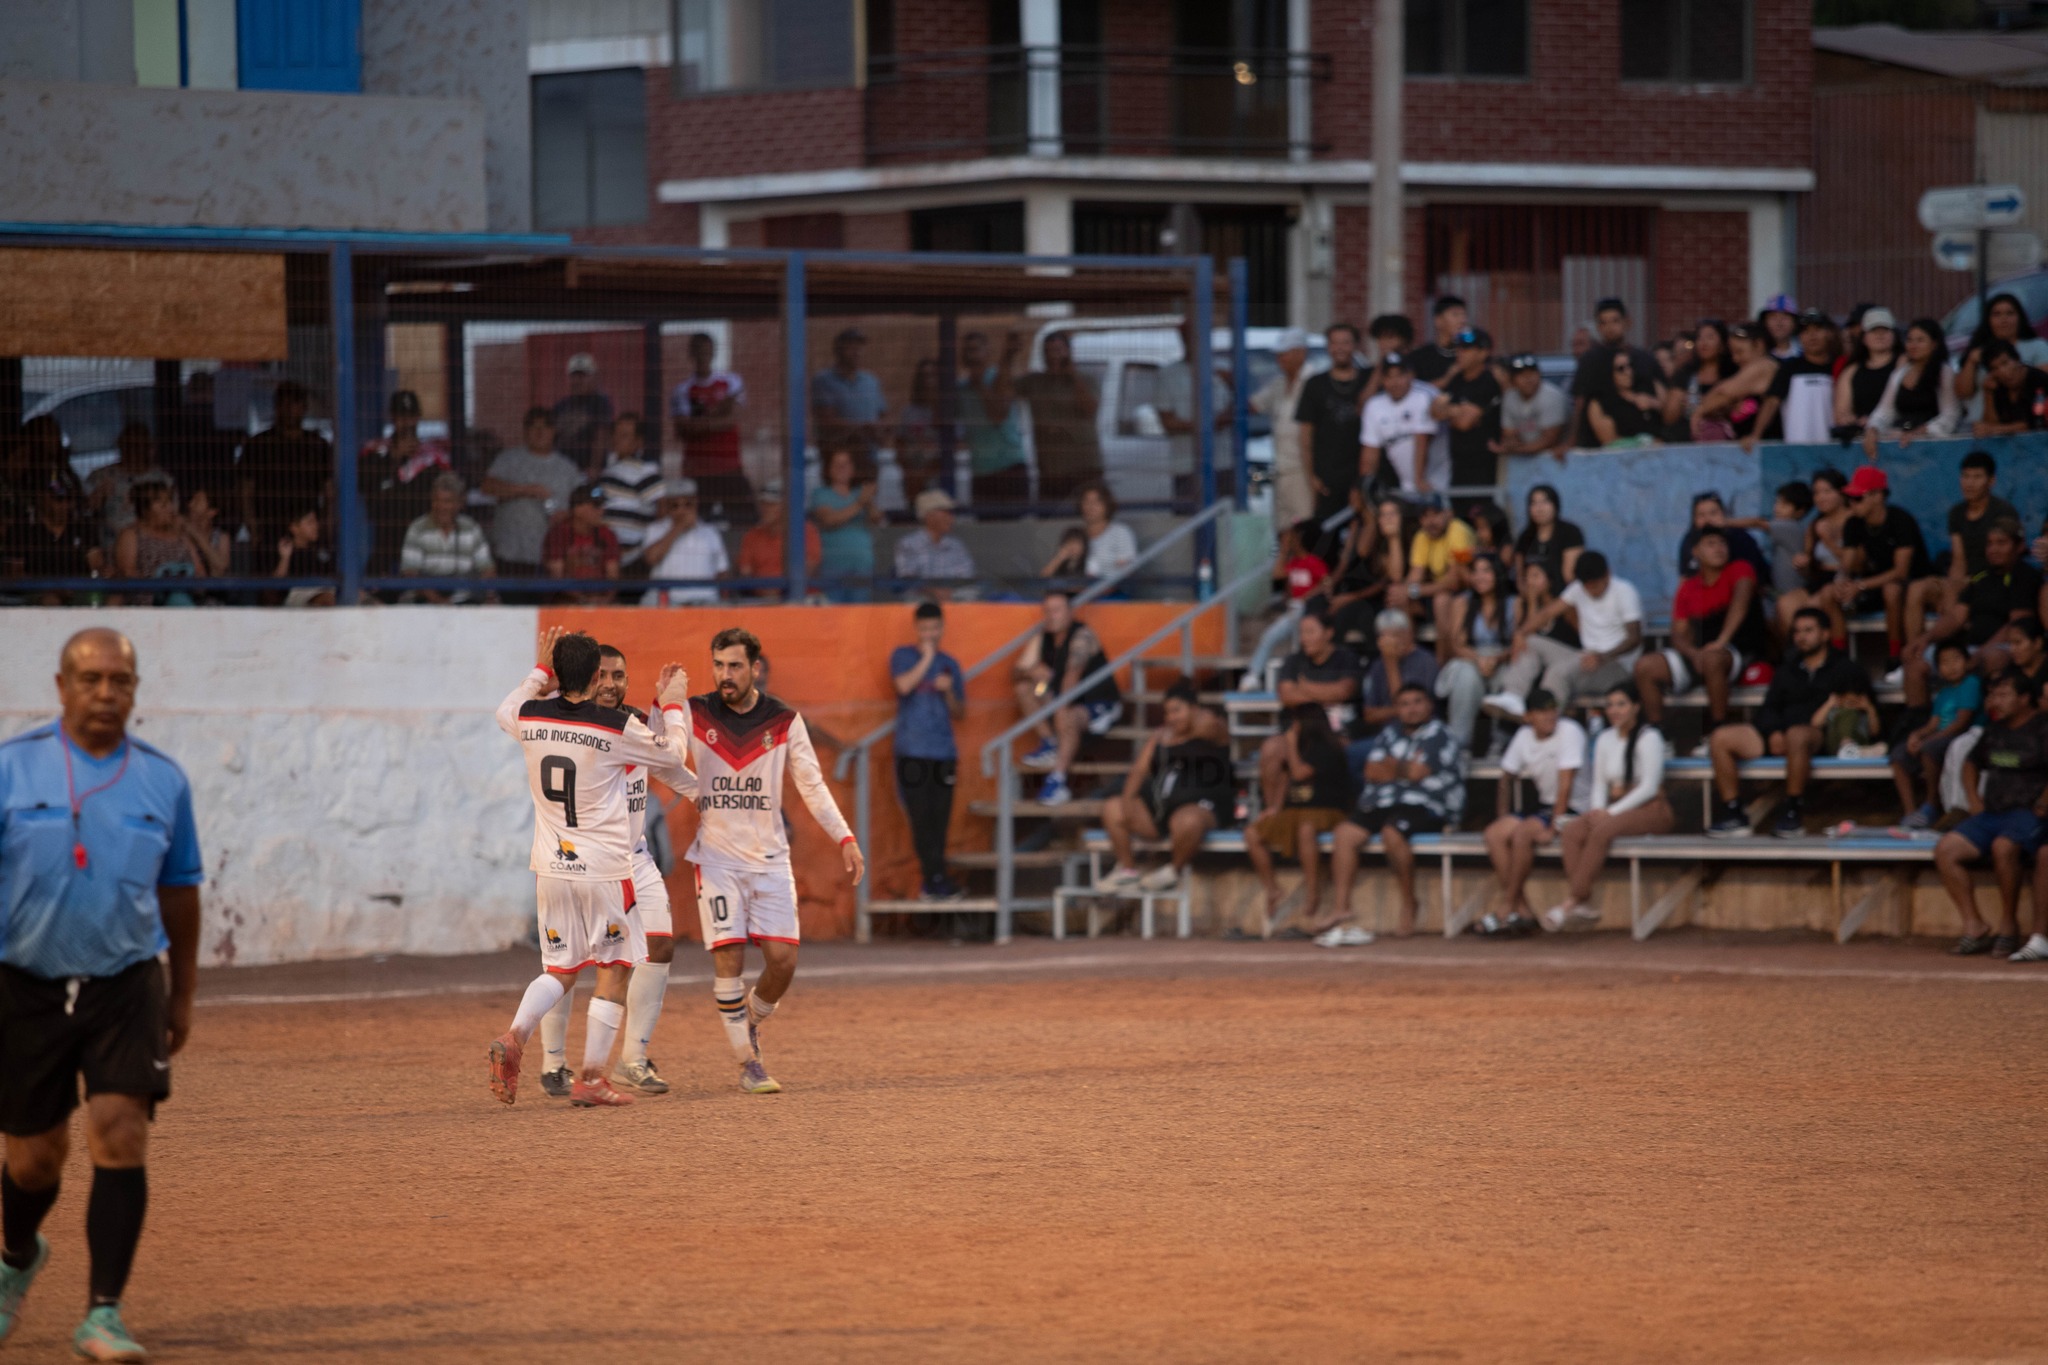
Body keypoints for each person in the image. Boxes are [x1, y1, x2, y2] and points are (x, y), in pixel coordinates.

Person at [0, 629, 203, 1363]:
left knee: (119, 1129)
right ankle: (16, 1254)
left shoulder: (162, 780)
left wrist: (181, 993)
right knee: (34, 1159)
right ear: (60, 686)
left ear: (135, 690)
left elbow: (180, 892)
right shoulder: (11, 770)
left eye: (120, 680)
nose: (106, 693)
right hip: (23, 985)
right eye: (90, 679)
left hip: (125, 982)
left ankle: (103, 1313)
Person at [488, 630, 692, 1108]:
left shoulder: (529, 716)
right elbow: (673, 755)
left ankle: (516, 1035)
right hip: (602, 867)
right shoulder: (613, 727)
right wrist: (675, 705)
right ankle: (593, 1078)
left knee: (559, 969)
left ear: (558, 673)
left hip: (550, 867)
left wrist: (538, 674)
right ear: (596, 676)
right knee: (617, 966)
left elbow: (505, 709)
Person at [668, 627, 864, 1094]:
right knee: (728, 957)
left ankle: (750, 1022)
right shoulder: (696, 712)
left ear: (756, 668)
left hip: (770, 859)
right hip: (716, 860)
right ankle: (747, 1062)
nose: (724, 675)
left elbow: (812, 785)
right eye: (718, 665)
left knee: (784, 962)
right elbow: (661, 758)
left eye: (734, 666)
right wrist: (693, 787)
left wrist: (845, 838)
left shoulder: (784, 720)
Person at [1322, 683, 1466, 943]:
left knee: (1392, 832)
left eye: (1417, 702)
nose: (1411, 709)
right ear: (1397, 709)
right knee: (1344, 833)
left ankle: (1409, 904)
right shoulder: (1390, 734)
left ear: (1429, 705)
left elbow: (1418, 773)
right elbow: (1371, 771)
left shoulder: (1440, 734)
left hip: (1428, 805)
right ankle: (1341, 907)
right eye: (1405, 703)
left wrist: (1391, 767)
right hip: (1384, 802)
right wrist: (1403, 768)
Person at [1708, 607, 1862, 838]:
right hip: (1778, 734)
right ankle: (1734, 813)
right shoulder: (1786, 669)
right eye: (1797, 631)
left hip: (1818, 734)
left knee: (1797, 735)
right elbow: (1769, 708)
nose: (1801, 636)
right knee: (1721, 737)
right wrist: (1774, 732)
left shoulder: (1845, 668)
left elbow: (1857, 708)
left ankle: (1792, 811)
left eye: (1809, 630)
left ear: (1825, 634)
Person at [1935, 671, 2048, 957]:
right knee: (1946, 850)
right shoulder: (1994, 729)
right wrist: (1974, 799)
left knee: (2003, 848)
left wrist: (2045, 801)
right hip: (1992, 814)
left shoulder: (2043, 728)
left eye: (2003, 694)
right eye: (1993, 694)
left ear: (2025, 699)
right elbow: (1971, 764)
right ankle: (1974, 925)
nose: (1995, 701)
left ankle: (2008, 925)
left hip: (2027, 814)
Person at [1550, 682, 1673, 930]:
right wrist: (1598, 810)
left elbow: (1649, 786)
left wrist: (1610, 814)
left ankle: (1573, 900)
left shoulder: (1650, 737)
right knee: (1573, 830)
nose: (1614, 710)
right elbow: (1599, 784)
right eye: (1610, 705)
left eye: (1621, 704)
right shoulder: (1605, 738)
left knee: (1602, 831)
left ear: (1636, 707)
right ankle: (1583, 903)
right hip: (1613, 808)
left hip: (1650, 808)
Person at [1097, 680, 1236, 893]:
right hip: (1162, 810)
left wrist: (1174, 735)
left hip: (1202, 809)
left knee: (1188, 820)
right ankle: (1127, 871)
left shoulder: (1211, 727)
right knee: (1112, 808)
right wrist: (1128, 802)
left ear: (1194, 709)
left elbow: (1206, 723)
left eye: (1177, 711)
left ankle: (1173, 871)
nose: (1171, 717)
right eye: (1168, 712)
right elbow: (1138, 771)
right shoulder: (1161, 736)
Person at [1478, 689, 1590, 937]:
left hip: (1578, 808)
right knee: (1495, 833)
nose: (1550, 715)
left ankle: (1507, 907)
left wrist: (1554, 826)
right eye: (1542, 711)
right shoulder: (1524, 735)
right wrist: (1502, 814)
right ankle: (1523, 910)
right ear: (1528, 716)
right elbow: (1506, 779)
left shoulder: (1569, 731)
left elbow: (1566, 785)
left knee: (1523, 832)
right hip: (1546, 805)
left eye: (1552, 709)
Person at [1895, 451, 2016, 676]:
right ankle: (1915, 656)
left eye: (1977, 477)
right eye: (1965, 476)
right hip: (1964, 580)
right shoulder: (1957, 513)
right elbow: (1958, 559)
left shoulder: (2002, 512)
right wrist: (1951, 585)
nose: (1969, 483)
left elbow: (2004, 558)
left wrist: (1959, 587)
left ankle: (1952, 658)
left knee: (1956, 592)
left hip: (1990, 580)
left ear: (1991, 480)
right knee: (1916, 589)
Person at [1485, 551, 1644, 714]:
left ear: (1608, 574)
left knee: (1558, 672)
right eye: (1586, 586)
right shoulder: (1578, 589)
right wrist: (1521, 633)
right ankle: (1513, 696)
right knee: (1531, 642)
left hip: (1616, 665)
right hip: (1586, 657)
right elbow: (1547, 613)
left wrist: (1602, 657)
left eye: (1595, 585)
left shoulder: (1625, 592)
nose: (1591, 590)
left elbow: (1634, 638)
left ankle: (1547, 722)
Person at [1637, 526, 1764, 730]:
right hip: (1699, 656)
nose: (1719, 548)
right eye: (1711, 544)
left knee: (1712, 658)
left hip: (1737, 651)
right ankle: (1657, 735)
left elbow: (1740, 605)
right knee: (1645, 666)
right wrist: (1693, 653)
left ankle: (1716, 731)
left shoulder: (1740, 569)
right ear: (1695, 551)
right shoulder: (1687, 588)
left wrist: (1720, 643)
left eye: (1722, 543)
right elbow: (1678, 633)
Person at [1244, 704, 1352, 934]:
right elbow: (1285, 777)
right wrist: (1274, 807)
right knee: (1252, 833)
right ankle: (1272, 888)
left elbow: (1300, 773)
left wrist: (1291, 745)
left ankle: (1313, 892)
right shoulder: (1297, 747)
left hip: (1325, 809)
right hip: (1294, 810)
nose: (1291, 729)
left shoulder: (1329, 748)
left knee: (1306, 829)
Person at [1013, 588, 1122, 806]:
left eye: (1057, 610)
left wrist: (1058, 707)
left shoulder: (1082, 635)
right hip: (1065, 701)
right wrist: (1032, 673)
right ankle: (1050, 743)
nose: (1051, 615)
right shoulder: (1043, 637)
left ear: (1070, 612)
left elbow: (1071, 679)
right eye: (1047, 611)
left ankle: (1057, 781)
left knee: (1065, 712)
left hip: (1099, 702)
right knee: (1025, 688)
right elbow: (1016, 672)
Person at [1903, 519, 2042, 688]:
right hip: (1970, 649)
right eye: (1989, 544)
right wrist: (1926, 638)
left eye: (2001, 543)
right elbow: (1956, 617)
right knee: (1914, 661)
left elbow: (2017, 625)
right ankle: (1918, 714)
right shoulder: (1981, 577)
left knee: (1991, 659)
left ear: (2019, 546)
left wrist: (1982, 652)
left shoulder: (2025, 576)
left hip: (2002, 649)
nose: (1993, 549)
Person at [891, 603, 968, 902]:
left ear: (942, 627)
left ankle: (936, 881)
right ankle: (935, 880)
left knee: (940, 818)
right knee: (920, 817)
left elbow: (960, 711)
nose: (930, 634)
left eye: (935, 629)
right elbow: (903, 686)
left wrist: (948, 690)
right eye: (924, 629)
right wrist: (927, 658)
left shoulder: (951, 664)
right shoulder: (903, 656)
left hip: (944, 752)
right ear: (916, 629)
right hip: (911, 751)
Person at [1255, 609, 1361, 814]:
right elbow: (1287, 695)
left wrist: (1303, 687)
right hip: (1297, 734)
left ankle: (1343, 813)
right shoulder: (1293, 661)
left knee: (1340, 751)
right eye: (1302, 633)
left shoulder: (1346, 658)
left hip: (1338, 733)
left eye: (1311, 632)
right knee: (1270, 749)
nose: (1305, 638)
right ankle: (1272, 813)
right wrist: (1326, 693)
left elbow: (1344, 691)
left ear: (1328, 633)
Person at [1827, 464, 1929, 659]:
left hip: (1910, 584)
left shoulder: (1900, 520)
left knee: (1891, 590)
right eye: (1849, 498)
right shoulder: (1853, 522)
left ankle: (1895, 656)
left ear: (1877, 496)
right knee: (1829, 593)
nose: (1852, 504)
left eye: (1857, 498)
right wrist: (1842, 581)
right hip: (1870, 585)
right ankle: (1838, 659)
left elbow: (1901, 571)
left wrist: (1860, 585)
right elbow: (1847, 565)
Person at [357, 390, 453, 578]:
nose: (407, 423)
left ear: (418, 417)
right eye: (401, 417)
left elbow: (449, 492)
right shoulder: (375, 449)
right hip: (384, 536)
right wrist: (395, 456)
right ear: (392, 417)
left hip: (423, 536)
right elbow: (361, 483)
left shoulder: (433, 456)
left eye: (411, 417)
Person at [1360, 608, 1483, 751]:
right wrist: (1397, 710)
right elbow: (1369, 715)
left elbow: (1413, 713)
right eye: (1384, 637)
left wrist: (1391, 665)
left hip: (1420, 736)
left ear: (1408, 634)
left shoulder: (1426, 662)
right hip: (1386, 736)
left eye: (1395, 636)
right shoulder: (1377, 665)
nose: (1389, 643)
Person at [482, 407, 582, 583]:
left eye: (545, 427)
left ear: (554, 431)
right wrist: (526, 490)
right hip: (509, 552)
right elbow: (488, 486)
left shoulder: (569, 468)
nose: (539, 432)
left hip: (549, 558)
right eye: (533, 427)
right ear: (525, 431)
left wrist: (567, 515)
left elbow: (586, 505)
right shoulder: (508, 459)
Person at [1894, 639, 1981, 829]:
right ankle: (1910, 811)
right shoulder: (1944, 693)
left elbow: (1961, 722)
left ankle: (1931, 804)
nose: (1951, 666)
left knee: (1929, 749)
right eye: (1945, 662)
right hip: (1941, 735)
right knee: (1898, 755)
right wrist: (1917, 735)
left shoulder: (1971, 683)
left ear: (1967, 662)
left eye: (1956, 659)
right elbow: (1933, 724)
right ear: (1938, 668)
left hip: (1961, 736)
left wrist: (1929, 740)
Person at [238, 380, 331, 548]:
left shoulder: (317, 445)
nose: (288, 410)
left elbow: (329, 491)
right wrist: (253, 527)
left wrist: (324, 526)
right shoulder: (258, 444)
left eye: (294, 404)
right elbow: (246, 490)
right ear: (276, 407)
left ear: (304, 408)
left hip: (306, 532)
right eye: (284, 404)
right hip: (269, 531)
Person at [1014, 332, 1104, 503]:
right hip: (1051, 470)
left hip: (1084, 467)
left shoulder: (1086, 379)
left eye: (1057, 350)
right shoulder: (1035, 382)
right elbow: (1006, 392)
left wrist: (1072, 375)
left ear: (1068, 352)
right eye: (1048, 351)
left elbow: (1090, 409)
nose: (1052, 356)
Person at [670, 332, 751, 521]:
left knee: (745, 519)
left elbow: (733, 420)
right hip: (697, 471)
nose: (703, 356)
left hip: (729, 467)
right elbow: (683, 429)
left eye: (707, 352)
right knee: (697, 521)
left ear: (713, 352)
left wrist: (700, 422)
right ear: (691, 354)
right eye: (699, 352)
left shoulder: (731, 381)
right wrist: (718, 415)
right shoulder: (682, 390)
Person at [1294, 323, 1371, 522]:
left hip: (1363, 476)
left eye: (1345, 343)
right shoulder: (1315, 384)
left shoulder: (1369, 380)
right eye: (1334, 343)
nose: (1340, 348)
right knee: (1326, 536)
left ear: (1356, 346)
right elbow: (1305, 436)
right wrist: (1311, 476)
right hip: (1327, 479)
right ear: (1328, 347)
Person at [1241, 520, 1331, 687]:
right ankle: (1253, 674)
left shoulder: (1314, 562)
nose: (1290, 541)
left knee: (1301, 643)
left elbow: (1327, 585)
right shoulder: (1293, 562)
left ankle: (1301, 676)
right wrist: (1284, 549)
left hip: (1309, 611)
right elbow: (1277, 574)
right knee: (1269, 635)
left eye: (1293, 538)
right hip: (1294, 610)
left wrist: (1305, 598)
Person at [1568, 298, 1663, 450]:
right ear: (1598, 327)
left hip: (1648, 445)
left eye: (1614, 321)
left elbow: (1663, 398)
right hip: (1600, 445)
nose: (1609, 328)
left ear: (1627, 322)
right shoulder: (1590, 361)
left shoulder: (1645, 359)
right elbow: (1580, 403)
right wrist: (1573, 441)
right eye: (1603, 323)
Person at [1156, 319, 1233, 501]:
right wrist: (1208, 425)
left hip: (1224, 463)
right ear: (1182, 338)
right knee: (1189, 520)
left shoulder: (1224, 370)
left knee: (1227, 521)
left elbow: (1239, 407)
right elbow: (1168, 423)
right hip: (1186, 466)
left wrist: (1231, 386)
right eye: (1190, 336)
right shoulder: (1168, 374)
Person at [1391, 493, 1474, 660]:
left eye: (1435, 514)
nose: (1430, 521)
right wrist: (1402, 592)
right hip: (1437, 591)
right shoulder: (1422, 536)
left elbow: (1454, 581)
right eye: (1425, 516)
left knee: (1440, 601)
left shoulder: (1458, 531)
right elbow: (1415, 574)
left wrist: (1413, 591)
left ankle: (1441, 666)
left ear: (1447, 514)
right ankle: (1409, 659)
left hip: (1467, 593)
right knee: (1399, 599)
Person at [1861, 318, 1963, 453]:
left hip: (1934, 449)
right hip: (1900, 445)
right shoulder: (1899, 374)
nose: (1913, 345)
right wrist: (1872, 429)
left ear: (1934, 344)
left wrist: (1919, 433)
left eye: (1920, 340)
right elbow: (1884, 412)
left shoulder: (1945, 373)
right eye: (1910, 340)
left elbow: (1950, 415)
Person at [1251, 328, 1315, 527]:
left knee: (1305, 528)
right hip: (1279, 469)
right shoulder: (1278, 384)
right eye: (1278, 354)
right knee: (1284, 529)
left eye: (1285, 353)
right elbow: (1253, 405)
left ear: (1300, 353)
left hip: (1303, 471)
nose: (1280, 358)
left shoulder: (1314, 383)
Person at [399, 472, 495, 603]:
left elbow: (487, 569)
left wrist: (488, 595)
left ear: (460, 503)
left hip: (464, 602)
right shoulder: (417, 528)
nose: (441, 507)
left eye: (447, 501)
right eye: (436, 500)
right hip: (423, 603)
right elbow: (410, 573)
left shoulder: (471, 528)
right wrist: (438, 601)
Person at [957, 330, 1029, 506]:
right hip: (981, 472)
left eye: (976, 349)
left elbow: (998, 416)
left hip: (1009, 467)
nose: (972, 355)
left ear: (987, 352)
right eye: (968, 350)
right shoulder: (960, 390)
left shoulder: (998, 377)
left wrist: (979, 385)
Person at [3, 478, 101, 604]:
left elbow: (97, 568)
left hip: (78, 590)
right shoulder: (21, 530)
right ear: (41, 498)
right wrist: (53, 587)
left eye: (69, 499)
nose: (65, 505)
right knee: (51, 600)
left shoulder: (84, 528)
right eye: (59, 499)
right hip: (35, 592)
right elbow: (14, 575)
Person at [1753, 308, 1841, 445]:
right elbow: (1772, 402)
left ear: (1829, 333)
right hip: (1796, 449)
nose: (1812, 336)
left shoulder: (1839, 367)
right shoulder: (1789, 368)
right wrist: (1755, 435)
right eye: (1805, 331)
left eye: (1817, 329)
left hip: (1833, 447)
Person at [1360, 352, 1443, 496]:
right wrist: (1363, 485)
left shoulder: (1424, 395)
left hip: (1437, 481)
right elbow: (1370, 454)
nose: (1395, 382)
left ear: (1410, 375)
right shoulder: (1374, 405)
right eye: (1389, 376)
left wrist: (1419, 479)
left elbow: (1422, 439)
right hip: (1407, 485)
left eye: (1400, 375)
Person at [811, 327, 888, 480]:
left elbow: (882, 414)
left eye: (859, 348)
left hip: (867, 457)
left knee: (866, 500)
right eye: (851, 347)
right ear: (838, 350)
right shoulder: (824, 380)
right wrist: (861, 427)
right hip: (837, 457)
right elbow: (826, 420)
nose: (856, 352)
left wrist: (881, 431)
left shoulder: (871, 381)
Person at [1431, 327, 1503, 489]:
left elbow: (1464, 423)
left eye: (1467, 349)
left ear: (1483, 353)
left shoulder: (1489, 381)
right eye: (1458, 348)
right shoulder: (1456, 379)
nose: (1460, 352)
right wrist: (1457, 411)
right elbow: (1435, 411)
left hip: (1483, 464)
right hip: (1457, 463)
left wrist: (1451, 411)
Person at [594, 413, 665, 575]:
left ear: (638, 442)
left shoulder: (645, 471)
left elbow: (663, 508)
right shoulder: (606, 472)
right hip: (605, 558)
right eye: (616, 434)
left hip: (632, 561)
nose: (617, 439)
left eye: (625, 435)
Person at [640, 478, 729, 607]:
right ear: (667, 506)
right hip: (666, 600)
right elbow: (651, 558)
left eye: (688, 504)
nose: (681, 510)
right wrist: (678, 528)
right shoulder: (655, 529)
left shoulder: (711, 532)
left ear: (696, 503)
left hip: (704, 601)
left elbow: (722, 572)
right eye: (675, 505)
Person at [114, 483, 206, 607]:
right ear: (146, 510)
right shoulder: (131, 535)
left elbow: (199, 571)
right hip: (148, 602)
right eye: (163, 505)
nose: (171, 508)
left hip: (186, 597)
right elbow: (128, 572)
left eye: (170, 503)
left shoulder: (182, 537)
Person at [84, 423, 171, 555]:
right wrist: (98, 496)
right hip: (112, 551)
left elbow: (173, 518)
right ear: (121, 446)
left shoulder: (163, 480)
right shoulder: (101, 477)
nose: (135, 451)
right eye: (130, 445)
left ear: (149, 447)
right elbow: (83, 513)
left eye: (140, 445)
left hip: (156, 551)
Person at [811, 448, 881, 602]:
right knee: (833, 614)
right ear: (828, 469)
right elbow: (830, 520)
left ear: (853, 468)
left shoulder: (859, 493)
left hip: (862, 564)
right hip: (833, 564)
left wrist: (869, 499)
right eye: (837, 464)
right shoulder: (821, 494)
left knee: (859, 616)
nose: (842, 468)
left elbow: (877, 518)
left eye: (846, 464)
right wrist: (860, 503)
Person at [1953, 291, 2048, 405]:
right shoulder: (1978, 351)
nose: (2004, 319)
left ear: (2020, 317)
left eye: (2010, 313)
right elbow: (1963, 393)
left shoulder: (2037, 346)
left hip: (2023, 419)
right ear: (1988, 320)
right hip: (1977, 420)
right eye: (1997, 314)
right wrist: (1971, 362)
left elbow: (2044, 383)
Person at [1693, 322, 1780, 444]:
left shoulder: (1765, 365)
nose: (1735, 359)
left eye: (1740, 352)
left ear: (1759, 345)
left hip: (1769, 451)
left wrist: (1699, 411)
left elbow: (1724, 392)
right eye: (1733, 353)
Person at [735, 479, 820, 600]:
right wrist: (766, 594)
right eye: (763, 503)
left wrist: (778, 593)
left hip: (798, 600)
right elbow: (745, 574)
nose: (764, 508)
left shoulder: (806, 531)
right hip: (761, 602)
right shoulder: (752, 535)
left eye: (771, 504)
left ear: (786, 507)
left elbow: (807, 570)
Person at [540, 484, 620, 605]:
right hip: (567, 602)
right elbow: (557, 578)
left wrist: (604, 600)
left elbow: (613, 577)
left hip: (601, 602)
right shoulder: (558, 534)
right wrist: (585, 600)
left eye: (602, 506)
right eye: (596, 506)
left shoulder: (607, 534)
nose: (601, 511)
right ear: (578, 509)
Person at [893, 488, 976, 597]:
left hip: (953, 598)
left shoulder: (956, 545)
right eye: (946, 512)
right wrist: (933, 591)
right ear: (929, 515)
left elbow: (967, 575)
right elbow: (906, 577)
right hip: (921, 601)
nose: (951, 518)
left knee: (971, 595)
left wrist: (949, 592)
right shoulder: (908, 544)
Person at [1833, 307, 1899, 437]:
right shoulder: (1851, 372)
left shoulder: (1905, 365)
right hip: (1862, 442)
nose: (1880, 335)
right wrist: (1852, 420)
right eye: (1874, 330)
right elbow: (1841, 414)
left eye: (1885, 330)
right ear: (1863, 337)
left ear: (1894, 335)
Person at [1666, 320, 1737, 440]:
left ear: (1723, 344)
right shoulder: (1685, 373)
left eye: (1710, 337)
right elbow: (1668, 418)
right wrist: (1681, 404)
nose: (1703, 343)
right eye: (1699, 338)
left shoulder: (1733, 373)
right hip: (1687, 441)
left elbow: (1739, 408)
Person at [1510, 483, 1584, 598]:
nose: (1539, 508)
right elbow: (1520, 577)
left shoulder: (1570, 533)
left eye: (1545, 502)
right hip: (1532, 602)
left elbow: (1570, 577)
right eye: (1534, 503)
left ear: (1555, 505)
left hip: (1563, 601)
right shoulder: (1525, 537)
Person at [893, 359, 948, 504]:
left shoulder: (948, 412)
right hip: (913, 478)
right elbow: (900, 442)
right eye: (924, 376)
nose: (929, 380)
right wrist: (909, 472)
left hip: (937, 479)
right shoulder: (909, 412)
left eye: (933, 375)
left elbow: (954, 447)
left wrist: (925, 474)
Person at [551, 353, 615, 477]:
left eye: (583, 376)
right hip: (562, 470)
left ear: (594, 377)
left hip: (586, 472)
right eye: (574, 376)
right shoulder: (561, 406)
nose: (578, 381)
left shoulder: (600, 403)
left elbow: (601, 436)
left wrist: (594, 468)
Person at [1585, 349, 1664, 447]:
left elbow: (1669, 416)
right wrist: (1645, 443)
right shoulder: (1599, 403)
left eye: (1630, 366)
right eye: (1621, 368)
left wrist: (1653, 403)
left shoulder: (1645, 388)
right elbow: (1609, 442)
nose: (1628, 372)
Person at [1498, 353, 1569, 459]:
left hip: (1556, 459)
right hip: (1527, 460)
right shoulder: (1510, 397)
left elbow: (1549, 439)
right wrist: (1512, 445)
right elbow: (1509, 434)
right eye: (1521, 374)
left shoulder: (1551, 395)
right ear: (1513, 380)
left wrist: (1518, 450)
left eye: (1532, 373)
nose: (1528, 378)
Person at [1973, 341, 2048, 437]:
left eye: (2005, 363)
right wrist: (1988, 394)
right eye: (1995, 368)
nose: (2003, 372)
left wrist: (1994, 429)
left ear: (2017, 359)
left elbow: (2035, 424)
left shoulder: (2039, 381)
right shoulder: (1997, 386)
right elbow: (1991, 423)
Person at [271, 504, 335, 608]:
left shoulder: (321, 547)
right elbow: (274, 587)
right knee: (327, 600)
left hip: (325, 588)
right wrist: (285, 558)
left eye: (315, 521)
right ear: (294, 528)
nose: (316, 525)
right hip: (298, 594)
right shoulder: (284, 549)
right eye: (310, 522)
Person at [1406, 296, 1467, 385]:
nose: (1462, 321)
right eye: (1455, 315)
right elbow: (1414, 392)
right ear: (1438, 320)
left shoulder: (1470, 353)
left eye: (1464, 315)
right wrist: (1448, 377)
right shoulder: (1420, 357)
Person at [1759, 293, 1800, 359]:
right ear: (1765, 322)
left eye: (1785, 317)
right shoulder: (1757, 354)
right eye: (1773, 317)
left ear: (1795, 323)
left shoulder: (1806, 352)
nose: (1779, 323)